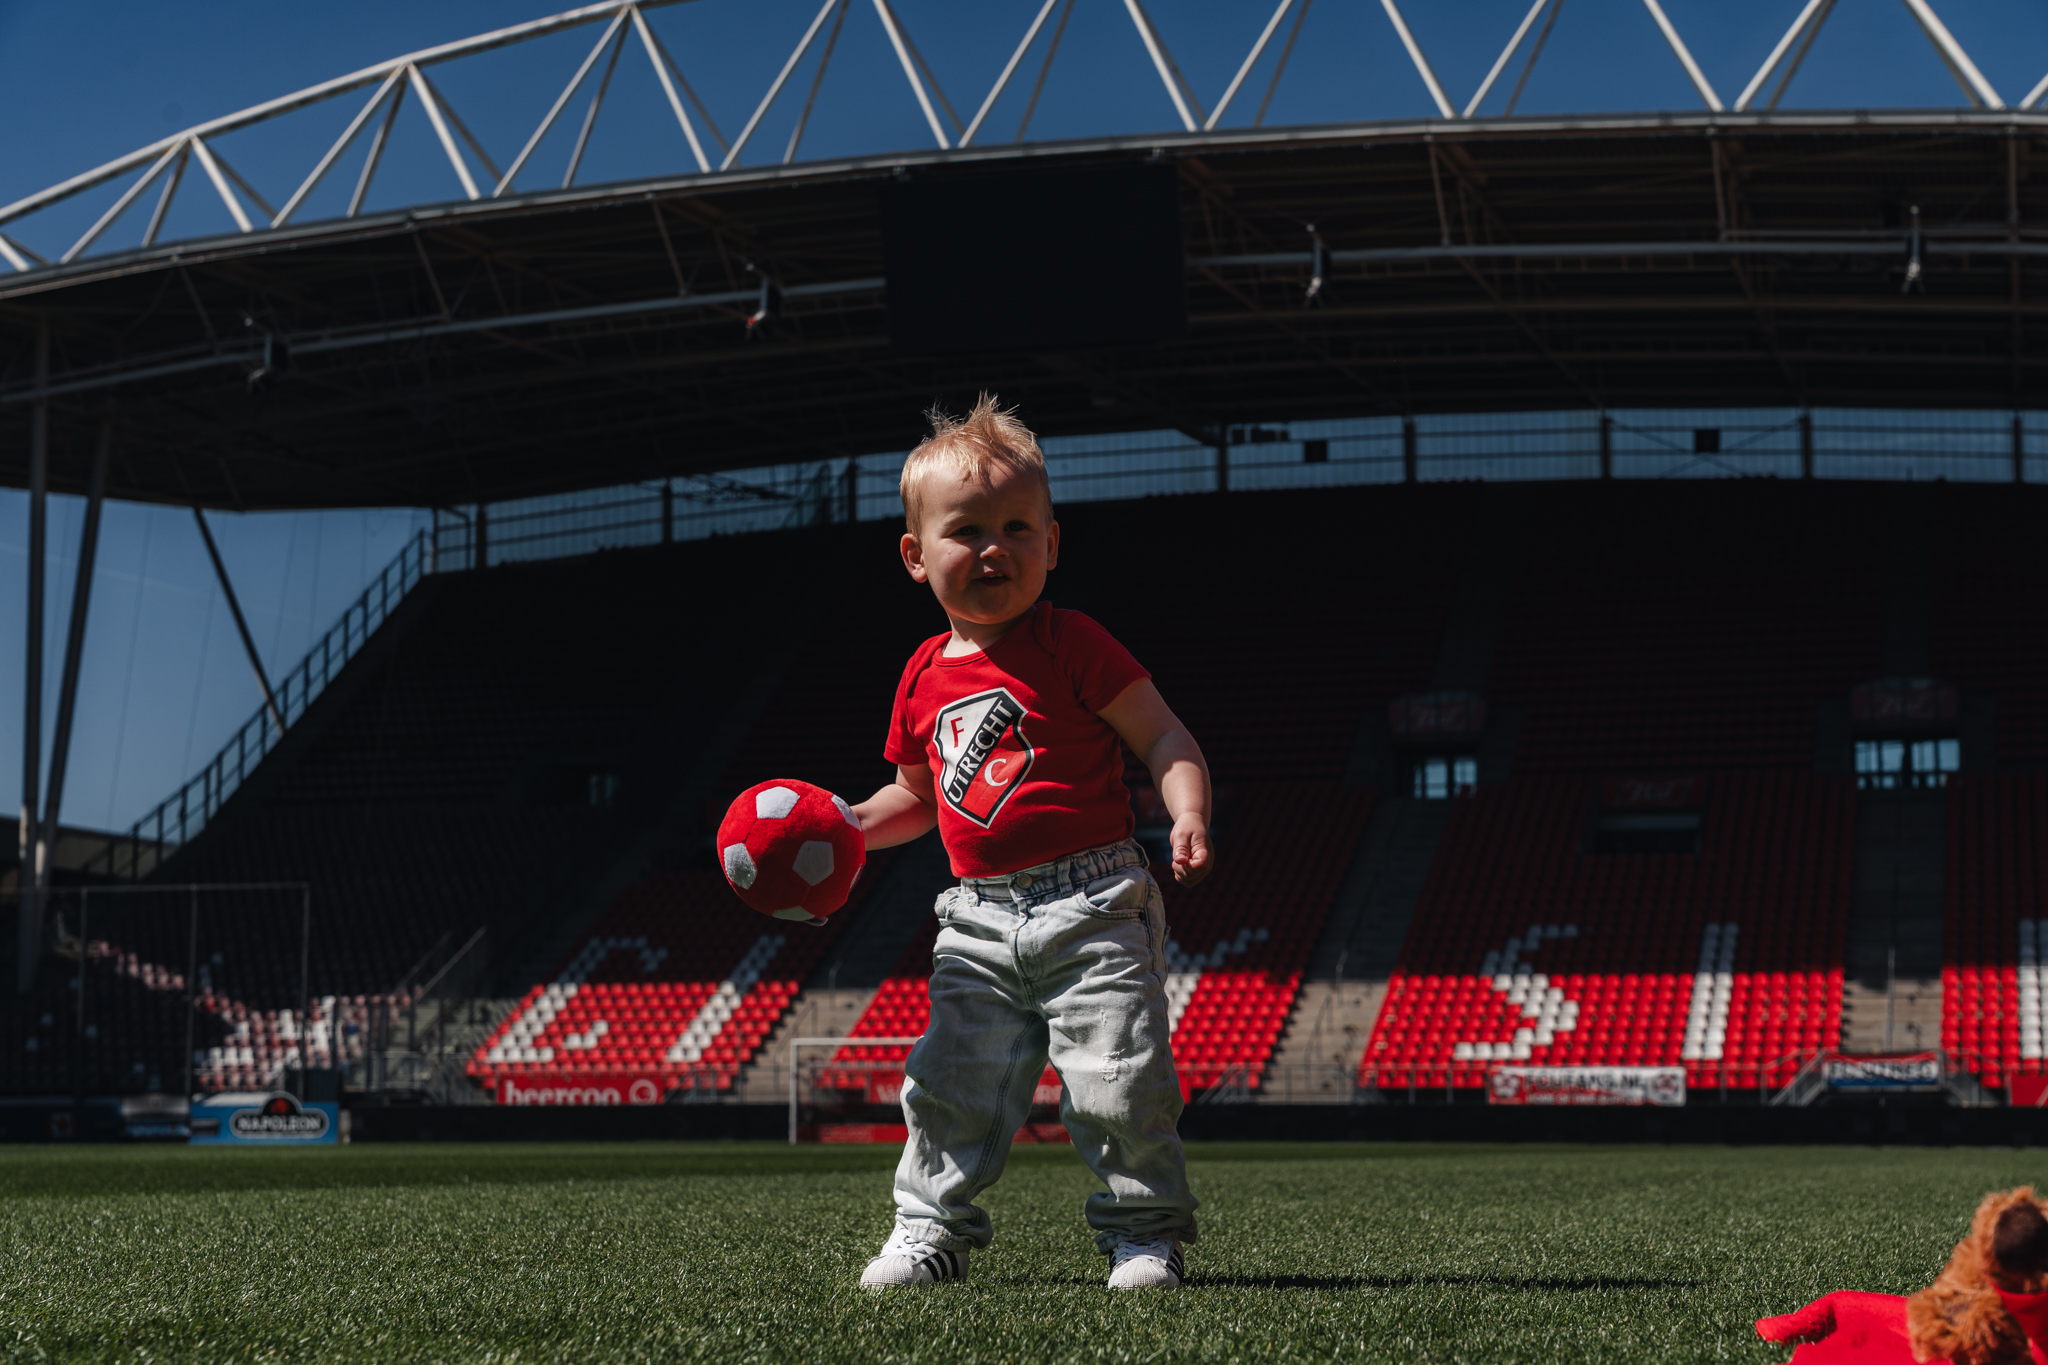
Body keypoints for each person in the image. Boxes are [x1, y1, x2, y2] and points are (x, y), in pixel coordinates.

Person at [850, 394, 1214, 1291]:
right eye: (967, 529)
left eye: (1018, 528)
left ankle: (1145, 1234)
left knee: (1119, 1079)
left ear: (1052, 544)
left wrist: (1187, 808)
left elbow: (1164, 734)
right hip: (973, 918)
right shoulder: (919, 676)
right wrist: (850, 827)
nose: (994, 548)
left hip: (1095, 903)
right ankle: (931, 1231)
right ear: (915, 555)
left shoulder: (1070, 640)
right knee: (949, 1083)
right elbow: (915, 796)